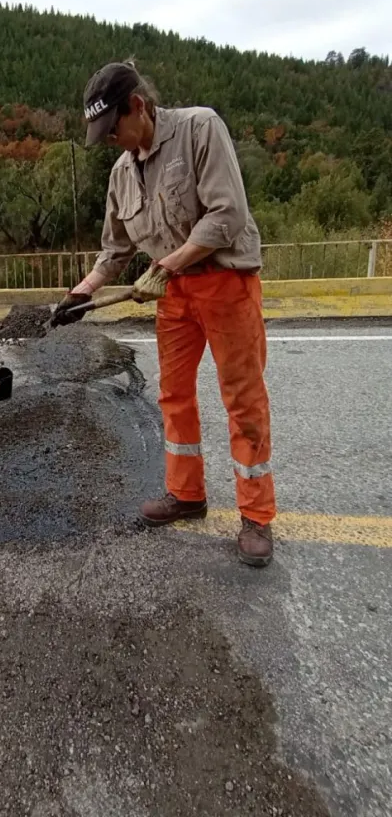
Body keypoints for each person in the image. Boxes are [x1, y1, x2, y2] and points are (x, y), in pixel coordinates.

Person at [52, 60, 276, 567]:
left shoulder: (200, 128)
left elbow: (228, 214)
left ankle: (257, 516)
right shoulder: (121, 173)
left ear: (139, 106)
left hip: (225, 282)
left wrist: (168, 263)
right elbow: (115, 250)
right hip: (172, 294)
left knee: (242, 400)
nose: (111, 141)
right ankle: (187, 494)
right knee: (174, 394)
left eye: (114, 129)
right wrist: (82, 293)